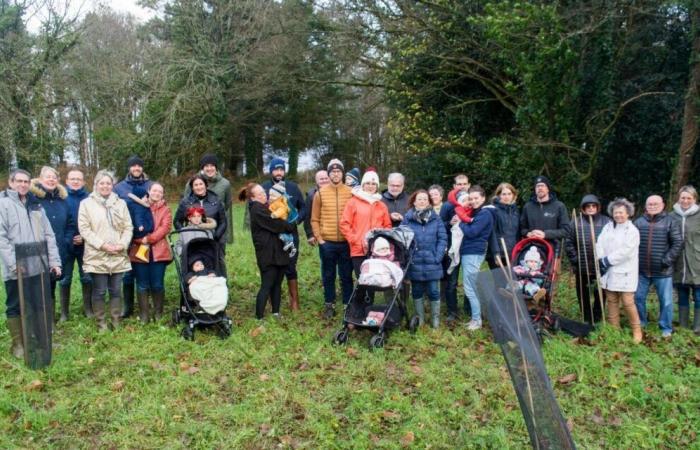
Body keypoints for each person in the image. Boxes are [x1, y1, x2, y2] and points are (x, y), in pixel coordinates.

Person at [0, 169, 62, 358]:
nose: (23, 185)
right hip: (15, 267)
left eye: (26, 181)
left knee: (38, 303)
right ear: (11, 183)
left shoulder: (36, 206)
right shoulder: (3, 204)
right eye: (19, 181)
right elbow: (1, 238)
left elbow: (49, 235)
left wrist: (54, 261)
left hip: (38, 264)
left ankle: (39, 337)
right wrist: (13, 264)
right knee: (15, 304)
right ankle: (19, 344)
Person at [78, 170, 133, 332]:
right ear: (96, 185)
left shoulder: (120, 203)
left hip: (117, 254)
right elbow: (85, 229)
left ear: (112, 185)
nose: (105, 186)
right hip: (97, 254)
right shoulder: (86, 204)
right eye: (101, 183)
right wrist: (102, 245)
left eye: (108, 183)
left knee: (116, 290)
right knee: (100, 290)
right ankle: (101, 323)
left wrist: (122, 245)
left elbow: (128, 227)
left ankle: (116, 320)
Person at [238, 182, 297, 320]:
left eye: (264, 192)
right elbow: (277, 225)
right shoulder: (257, 209)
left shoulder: (267, 207)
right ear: (253, 198)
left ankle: (275, 312)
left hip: (279, 251)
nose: (264, 195)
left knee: (277, 283)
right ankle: (259, 317)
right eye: (260, 194)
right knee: (267, 284)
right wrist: (290, 225)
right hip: (268, 254)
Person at [632, 195, 682, 338]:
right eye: (649, 204)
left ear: (663, 205)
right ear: (646, 206)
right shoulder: (639, 222)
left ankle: (666, 327)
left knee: (666, 301)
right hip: (642, 271)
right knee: (638, 298)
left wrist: (667, 260)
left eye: (655, 204)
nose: (652, 206)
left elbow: (678, 242)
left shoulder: (670, 222)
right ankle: (641, 322)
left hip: (663, 271)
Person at [310, 160, 353, 319]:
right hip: (327, 243)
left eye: (338, 172)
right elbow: (314, 219)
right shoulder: (320, 193)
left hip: (345, 242)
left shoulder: (350, 192)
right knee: (328, 275)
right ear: (328, 174)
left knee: (346, 275)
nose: (335, 174)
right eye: (332, 172)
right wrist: (320, 239)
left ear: (342, 173)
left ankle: (348, 304)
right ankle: (329, 303)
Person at [262, 158, 305, 311]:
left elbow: (303, 208)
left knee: (290, 265)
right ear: (271, 171)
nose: (279, 172)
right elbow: (256, 209)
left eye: (281, 169)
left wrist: (296, 220)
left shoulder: (293, 187)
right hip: (271, 235)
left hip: (290, 233)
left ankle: (294, 300)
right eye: (276, 169)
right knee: (271, 266)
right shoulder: (264, 188)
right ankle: (270, 299)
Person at [596, 198, 642, 343]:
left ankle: (636, 330)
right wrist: (601, 258)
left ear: (628, 213)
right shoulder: (608, 227)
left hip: (625, 271)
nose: (618, 215)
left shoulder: (632, 230)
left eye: (621, 212)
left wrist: (607, 260)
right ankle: (614, 329)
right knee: (611, 300)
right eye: (616, 212)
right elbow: (599, 243)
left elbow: (626, 251)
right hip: (608, 271)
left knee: (628, 301)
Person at [29, 166, 71, 322]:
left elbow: (70, 224)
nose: (51, 179)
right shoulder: (32, 198)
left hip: (57, 248)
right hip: (37, 249)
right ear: (40, 179)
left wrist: (66, 241)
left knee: (51, 283)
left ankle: (50, 319)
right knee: (37, 286)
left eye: (54, 177)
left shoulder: (62, 200)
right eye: (48, 176)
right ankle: (38, 320)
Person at [401, 190, 447, 328]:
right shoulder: (407, 219)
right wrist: (409, 257)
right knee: (417, 291)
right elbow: (402, 240)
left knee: (433, 290)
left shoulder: (435, 218)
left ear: (429, 202)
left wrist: (438, 256)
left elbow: (443, 238)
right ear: (414, 202)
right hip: (415, 262)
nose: (422, 201)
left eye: (425, 199)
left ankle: (435, 320)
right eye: (419, 199)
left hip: (432, 261)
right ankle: (420, 319)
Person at [114, 155, 153, 319]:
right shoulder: (120, 187)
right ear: (129, 168)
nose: (136, 168)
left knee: (144, 267)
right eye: (133, 166)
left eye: (139, 166)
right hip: (125, 236)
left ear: (142, 168)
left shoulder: (150, 185)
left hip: (144, 237)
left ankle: (146, 303)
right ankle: (127, 307)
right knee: (127, 271)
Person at [128, 182, 172, 323]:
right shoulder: (137, 206)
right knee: (142, 284)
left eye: (160, 191)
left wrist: (148, 238)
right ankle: (144, 315)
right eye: (154, 190)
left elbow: (164, 228)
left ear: (162, 194)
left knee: (157, 284)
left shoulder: (165, 210)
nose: (157, 193)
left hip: (159, 251)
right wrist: (140, 240)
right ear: (149, 191)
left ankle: (158, 314)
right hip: (139, 251)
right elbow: (131, 226)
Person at [564, 194, 611, 325]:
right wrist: (576, 260)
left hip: (600, 266)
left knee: (600, 292)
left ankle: (597, 315)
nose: (590, 208)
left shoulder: (606, 222)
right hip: (582, 266)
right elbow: (568, 243)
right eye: (588, 206)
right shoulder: (575, 222)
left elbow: (612, 242)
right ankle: (586, 316)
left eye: (593, 206)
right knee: (583, 293)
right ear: (583, 208)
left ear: (597, 207)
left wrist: (606, 261)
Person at [340, 169, 392, 276]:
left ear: (377, 187)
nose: (370, 186)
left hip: (376, 250)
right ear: (363, 185)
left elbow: (387, 226)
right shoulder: (353, 202)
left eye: (373, 184)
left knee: (372, 281)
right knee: (362, 281)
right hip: (358, 249)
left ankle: (370, 294)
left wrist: (381, 241)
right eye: (367, 183)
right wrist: (355, 240)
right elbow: (344, 224)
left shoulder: (381, 205)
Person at [459, 185, 494, 331]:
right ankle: (476, 317)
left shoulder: (484, 214)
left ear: (483, 198)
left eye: (476, 198)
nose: (473, 201)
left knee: (470, 287)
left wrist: (461, 223)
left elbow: (472, 232)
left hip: (474, 252)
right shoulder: (475, 213)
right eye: (471, 198)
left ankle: (477, 320)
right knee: (470, 286)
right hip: (469, 252)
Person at [174, 174, 227, 269]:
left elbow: (223, 222)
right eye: (196, 185)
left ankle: (221, 283)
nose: (199, 187)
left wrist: (216, 236)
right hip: (192, 241)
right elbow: (177, 221)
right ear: (192, 188)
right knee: (193, 265)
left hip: (213, 240)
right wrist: (185, 234)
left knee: (218, 264)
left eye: (201, 184)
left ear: (206, 185)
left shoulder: (216, 200)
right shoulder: (185, 202)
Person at [61, 168, 93, 317]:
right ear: (67, 181)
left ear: (83, 182)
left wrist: (84, 237)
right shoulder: (61, 197)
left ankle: (88, 308)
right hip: (66, 244)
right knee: (65, 279)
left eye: (78, 179)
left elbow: (95, 222)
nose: (75, 181)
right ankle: (64, 312)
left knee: (86, 277)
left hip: (85, 245)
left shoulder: (90, 199)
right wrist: (68, 238)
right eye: (72, 179)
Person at [440, 174, 471, 323]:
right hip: (452, 249)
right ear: (454, 186)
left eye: (464, 184)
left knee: (470, 280)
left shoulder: (474, 203)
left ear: (469, 185)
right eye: (459, 184)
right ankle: (452, 311)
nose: (462, 186)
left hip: (470, 248)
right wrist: (449, 223)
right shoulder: (448, 206)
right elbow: (440, 226)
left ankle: (468, 309)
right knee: (451, 281)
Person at [184, 154, 234, 244]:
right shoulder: (192, 182)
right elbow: (185, 203)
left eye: (212, 166)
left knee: (219, 256)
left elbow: (226, 205)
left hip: (217, 227)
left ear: (216, 167)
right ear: (202, 168)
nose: (209, 168)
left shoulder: (225, 184)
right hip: (196, 227)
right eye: (206, 166)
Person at [671, 185, 700, 334]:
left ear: (694, 199)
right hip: (679, 263)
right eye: (683, 197)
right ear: (679, 198)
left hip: (697, 262)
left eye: (689, 198)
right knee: (682, 293)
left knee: (698, 294)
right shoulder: (672, 216)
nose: (686, 200)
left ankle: (698, 327)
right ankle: (683, 325)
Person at [520, 175, 569, 246]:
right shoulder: (527, 207)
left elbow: (565, 230)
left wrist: (545, 234)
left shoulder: (559, 206)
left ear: (548, 189)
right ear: (535, 189)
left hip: (552, 248)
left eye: (542, 185)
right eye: (537, 186)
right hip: (532, 248)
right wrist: (528, 233)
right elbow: (522, 229)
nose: (540, 188)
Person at [486, 182, 520, 269]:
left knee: (512, 281)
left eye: (509, 194)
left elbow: (517, 233)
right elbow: (492, 233)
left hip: (512, 253)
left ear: (513, 195)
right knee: (500, 282)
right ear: (498, 195)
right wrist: (496, 253)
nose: (507, 197)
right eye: (504, 194)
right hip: (498, 253)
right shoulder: (493, 210)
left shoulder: (516, 211)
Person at [267, 182, 298, 257]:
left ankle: (289, 242)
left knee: (282, 234)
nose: (271, 196)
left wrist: (274, 215)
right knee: (284, 233)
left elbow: (282, 210)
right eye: (270, 195)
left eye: (272, 195)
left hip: (282, 219)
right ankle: (292, 247)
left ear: (278, 195)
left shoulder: (279, 202)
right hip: (280, 220)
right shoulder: (275, 201)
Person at [303, 170, 330, 246]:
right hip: (320, 232)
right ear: (316, 181)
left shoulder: (335, 192)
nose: (324, 180)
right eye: (321, 179)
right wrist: (310, 234)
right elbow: (307, 216)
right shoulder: (311, 195)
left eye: (326, 178)